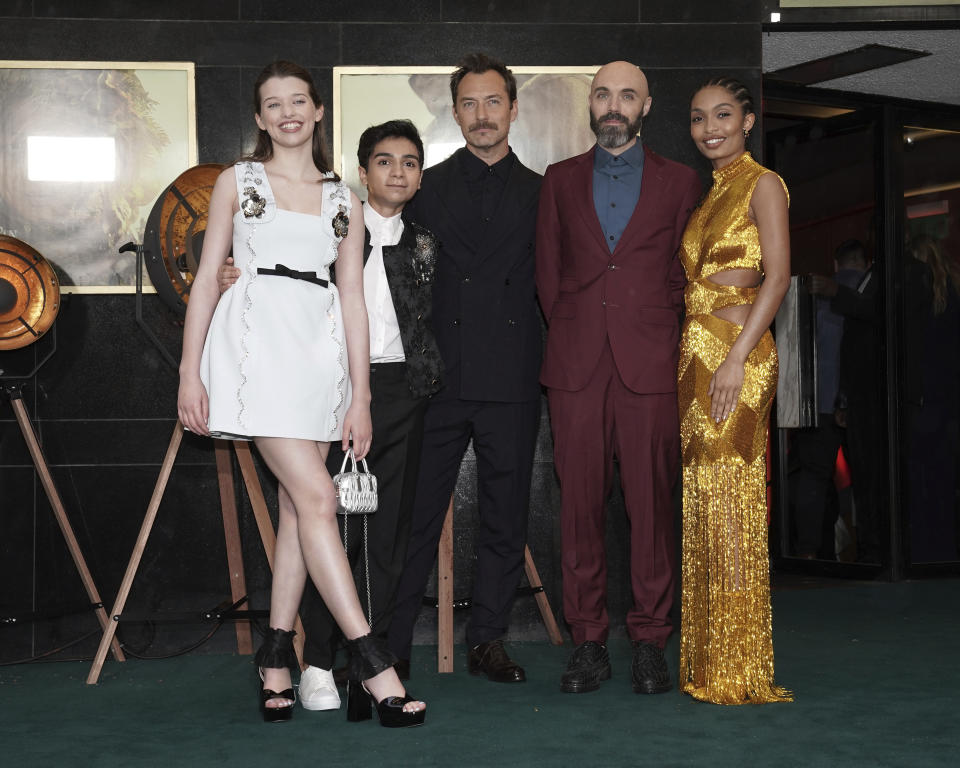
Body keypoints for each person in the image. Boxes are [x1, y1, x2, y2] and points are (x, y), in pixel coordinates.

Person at [177, 61, 425, 726]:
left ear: (318, 112)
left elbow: (351, 297)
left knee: (296, 509)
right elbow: (206, 279)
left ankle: (276, 655)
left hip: (321, 355)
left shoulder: (344, 197)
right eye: (272, 103)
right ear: (259, 118)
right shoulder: (239, 181)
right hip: (255, 347)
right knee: (318, 496)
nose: (287, 112)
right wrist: (189, 372)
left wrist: (361, 396)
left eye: (298, 101)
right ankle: (374, 663)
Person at [218, 120, 442, 709]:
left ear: (421, 177)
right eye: (385, 162)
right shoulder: (332, 221)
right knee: (326, 516)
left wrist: (376, 394)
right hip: (320, 376)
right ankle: (326, 658)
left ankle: (293, 657)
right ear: (362, 171)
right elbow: (268, 266)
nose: (398, 172)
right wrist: (233, 281)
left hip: (392, 390)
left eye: (411, 163)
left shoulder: (426, 241)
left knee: (364, 527)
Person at [535, 61, 701, 695]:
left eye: (626, 95)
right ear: (590, 104)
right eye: (603, 94)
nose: (613, 105)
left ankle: (651, 640)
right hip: (576, 368)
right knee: (577, 507)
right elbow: (548, 275)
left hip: (651, 366)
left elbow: (687, 273)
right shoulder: (558, 180)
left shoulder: (683, 182)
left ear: (646, 105)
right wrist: (580, 330)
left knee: (652, 508)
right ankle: (587, 641)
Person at [387, 52, 543, 684]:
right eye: (470, 104)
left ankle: (488, 641)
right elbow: (378, 264)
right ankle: (391, 645)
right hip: (438, 381)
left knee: (506, 516)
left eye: (493, 102)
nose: (482, 115)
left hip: (512, 376)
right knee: (416, 517)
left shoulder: (543, 190)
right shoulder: (425, 188)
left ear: (512, 107)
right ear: (454, 112)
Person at [676, 76, 791, 705]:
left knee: (733, 502)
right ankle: (712, 660)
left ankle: (739, 668)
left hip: (736, 356)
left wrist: (737, 358)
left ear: (748, 120)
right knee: (706, 501)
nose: (709, 127)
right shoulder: (709, 194)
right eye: (697, 118)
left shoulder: (763, 183)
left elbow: (777, 278)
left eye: (722, 115)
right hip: (696, 355)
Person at [792, 241, 867, 559]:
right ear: (865, 263)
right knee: (867, 477)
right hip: (858, 402)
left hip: (818, 402)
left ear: (836, 264)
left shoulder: (820, 296)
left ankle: (807, 552)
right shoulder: (865, 294)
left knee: (812, 480)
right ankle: (868, 548)